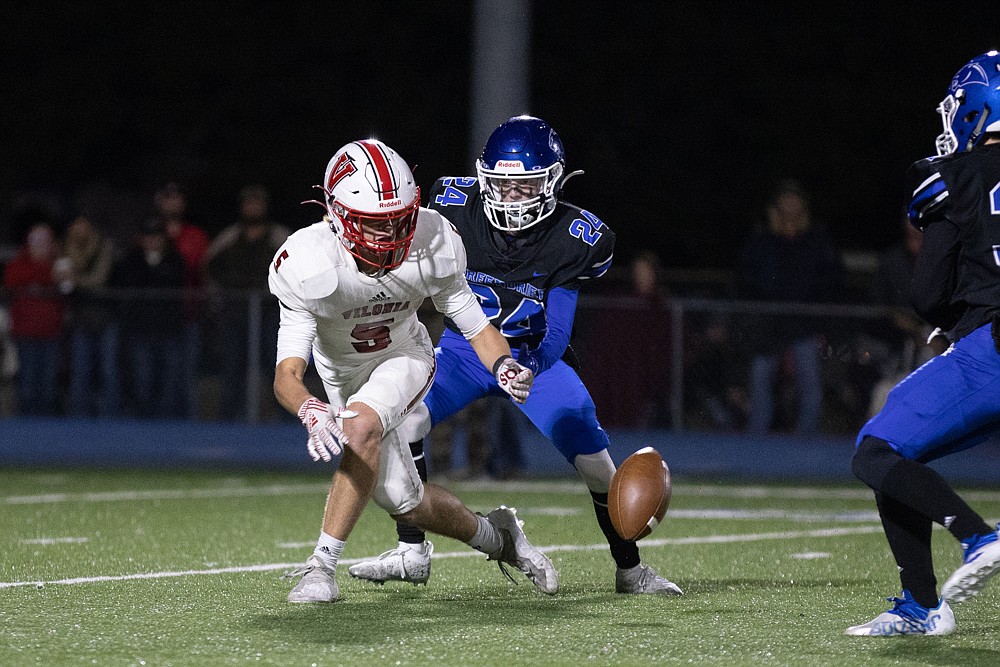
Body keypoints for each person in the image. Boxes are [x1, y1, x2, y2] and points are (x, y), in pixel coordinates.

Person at [348, 116, 683, 596]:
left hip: (533, 356)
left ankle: (630, 570)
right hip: (464, 350)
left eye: (524, 186)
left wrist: (533, 365)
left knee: (598, 466)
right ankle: (412, 550)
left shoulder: (575, 236)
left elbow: (559, 329)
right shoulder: (453, 207)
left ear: (552, 182)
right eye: (502, 185)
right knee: (403, 423)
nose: (510, 197)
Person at [271, 138, 556, 603]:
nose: (389, 234)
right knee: (406, 501)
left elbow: (475, 324)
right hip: (341, 375)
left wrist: (504, 364)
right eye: (373, 222)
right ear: (336, 215)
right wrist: (308, 407)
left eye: (398, 219)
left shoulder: (433, 239)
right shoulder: (306, 261)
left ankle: (321, 567)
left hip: (404, 355)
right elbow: (287, 375)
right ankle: (498, 537)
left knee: (361, 427)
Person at [846, 50, 1000, 637]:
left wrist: (951, 319)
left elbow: (927, 290)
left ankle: (976, 537)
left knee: (877, 449)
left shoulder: (958, 177)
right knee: (898, 455)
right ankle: (917, 606)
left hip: (993, 348)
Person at [736, 178, 842, 435]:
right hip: (768, 323)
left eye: (795, 199)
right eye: (785, 198)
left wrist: (817, 310)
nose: (790, 204)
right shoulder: (761, 238)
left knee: (810, 384)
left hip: (804, 321)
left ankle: (806, 441)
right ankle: (756, 438)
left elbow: (831, 278)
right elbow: (746, 278)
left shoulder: (816, 238)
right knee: (761, 381)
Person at [206, 185, 290, 420]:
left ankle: (285, 418)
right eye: (249, 203)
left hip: (271, 314)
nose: (253, 208)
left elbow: (296, 268)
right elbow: (210, 267)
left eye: (257, 203)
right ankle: (229, 419)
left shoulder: (279, 236)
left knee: (277, 367)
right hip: (236, 314)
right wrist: (221, 296)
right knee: (233, 367)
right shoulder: (230, 236)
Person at [113, 217, 186, 418]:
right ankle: (143, 421)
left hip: (169, 330)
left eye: (156, 236)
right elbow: (129, 282)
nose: (152, 240)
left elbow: (173, 281)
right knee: (143, 378)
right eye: (148, 236)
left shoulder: (174, 258)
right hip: (141, 330)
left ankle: (166, 422)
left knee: (169, 379)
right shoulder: (132, 259)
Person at [154, 182, 210, 418]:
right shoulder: (150, 233)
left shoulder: (195, 235)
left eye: (177, 197)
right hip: (156, 317)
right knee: (156, 372)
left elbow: (201, 269)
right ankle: (155, 422)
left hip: (188, 314)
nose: (172, 202)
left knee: (187, 372)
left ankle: (188, 423)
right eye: (168, 197)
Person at [1, 222, 68, 415]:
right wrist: (46, 275)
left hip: (51, 331)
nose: (40, 245)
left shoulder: (60, 263)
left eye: (44, 240)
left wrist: (57, 275)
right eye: (36, 240)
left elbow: (67, 289)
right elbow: (11, 279)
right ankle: (26, 421)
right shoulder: (19, 262)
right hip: (25, 332)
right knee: (27, 379)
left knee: (48, 380)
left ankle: (46, 421)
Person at [63, 213, 122, 418]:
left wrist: (75, 280)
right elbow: (63, 282)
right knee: (80, 371)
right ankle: (79, 418)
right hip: (81, 318)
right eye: (75, 225)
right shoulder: (66, 249)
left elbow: (99, 279)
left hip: (106, 317)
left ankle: (111, 417)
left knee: (108, 370)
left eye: (83, 224)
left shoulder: (104, 247)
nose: (79, 229)